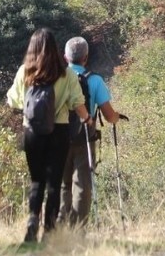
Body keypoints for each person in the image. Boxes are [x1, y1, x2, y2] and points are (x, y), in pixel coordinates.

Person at [6, 28, 93, 243]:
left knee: (37, 181)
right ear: (55, 48)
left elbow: (13, 101)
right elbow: (78, 104)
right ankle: (49, 230)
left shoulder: (24, 72)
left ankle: (32, 221)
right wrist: (88, 121)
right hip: (59, 131)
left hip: (32, 132)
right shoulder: (67, 74)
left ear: (32, 48)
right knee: (55, 183)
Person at [59, 36, 123, 227]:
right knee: (83, 185)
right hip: (85, 137)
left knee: (62, 184)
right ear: (86, 57)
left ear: (65, 57)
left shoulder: (56, 79)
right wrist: (118, 117)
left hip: (58, 138)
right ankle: (79, 230)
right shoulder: (94, 80)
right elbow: (109, 116)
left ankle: (60, 228)